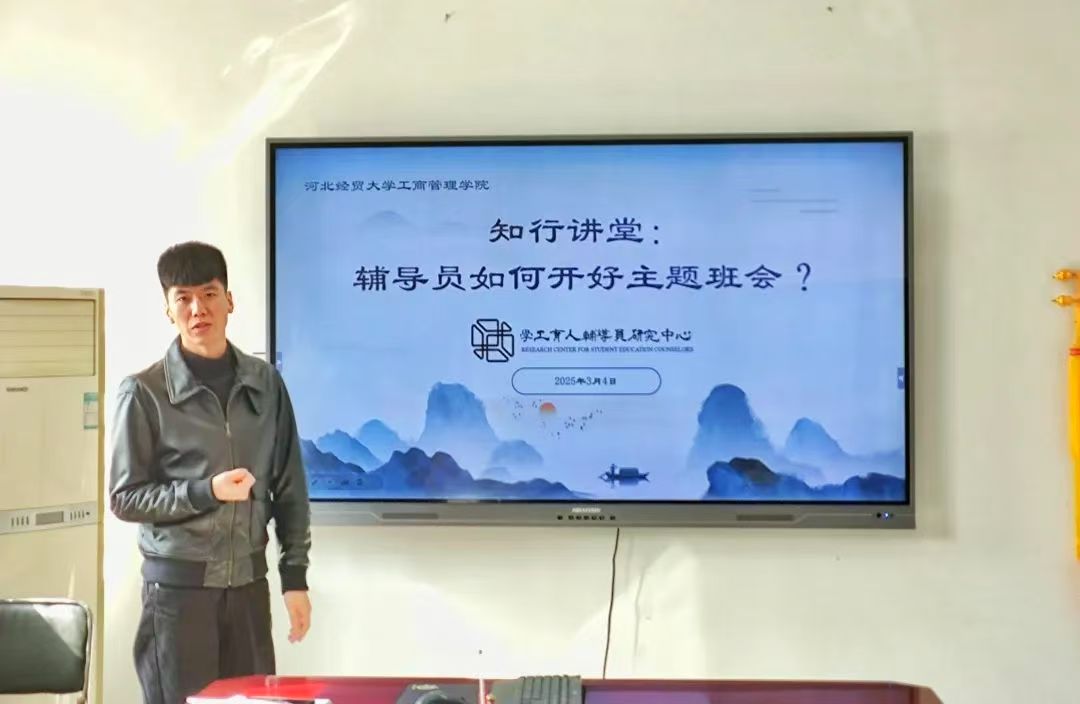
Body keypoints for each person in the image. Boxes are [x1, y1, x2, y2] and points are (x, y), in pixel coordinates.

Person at [109, 241, 312, 704]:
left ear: (229, 301)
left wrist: (294, 578)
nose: (197, 309)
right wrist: (206, 491)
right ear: (168, 310)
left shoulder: (265, 383)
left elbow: (290, 487)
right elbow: (125, 497)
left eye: (209, 294)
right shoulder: (143, 392)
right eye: (183, 298)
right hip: (177, 594)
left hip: (248, 590)